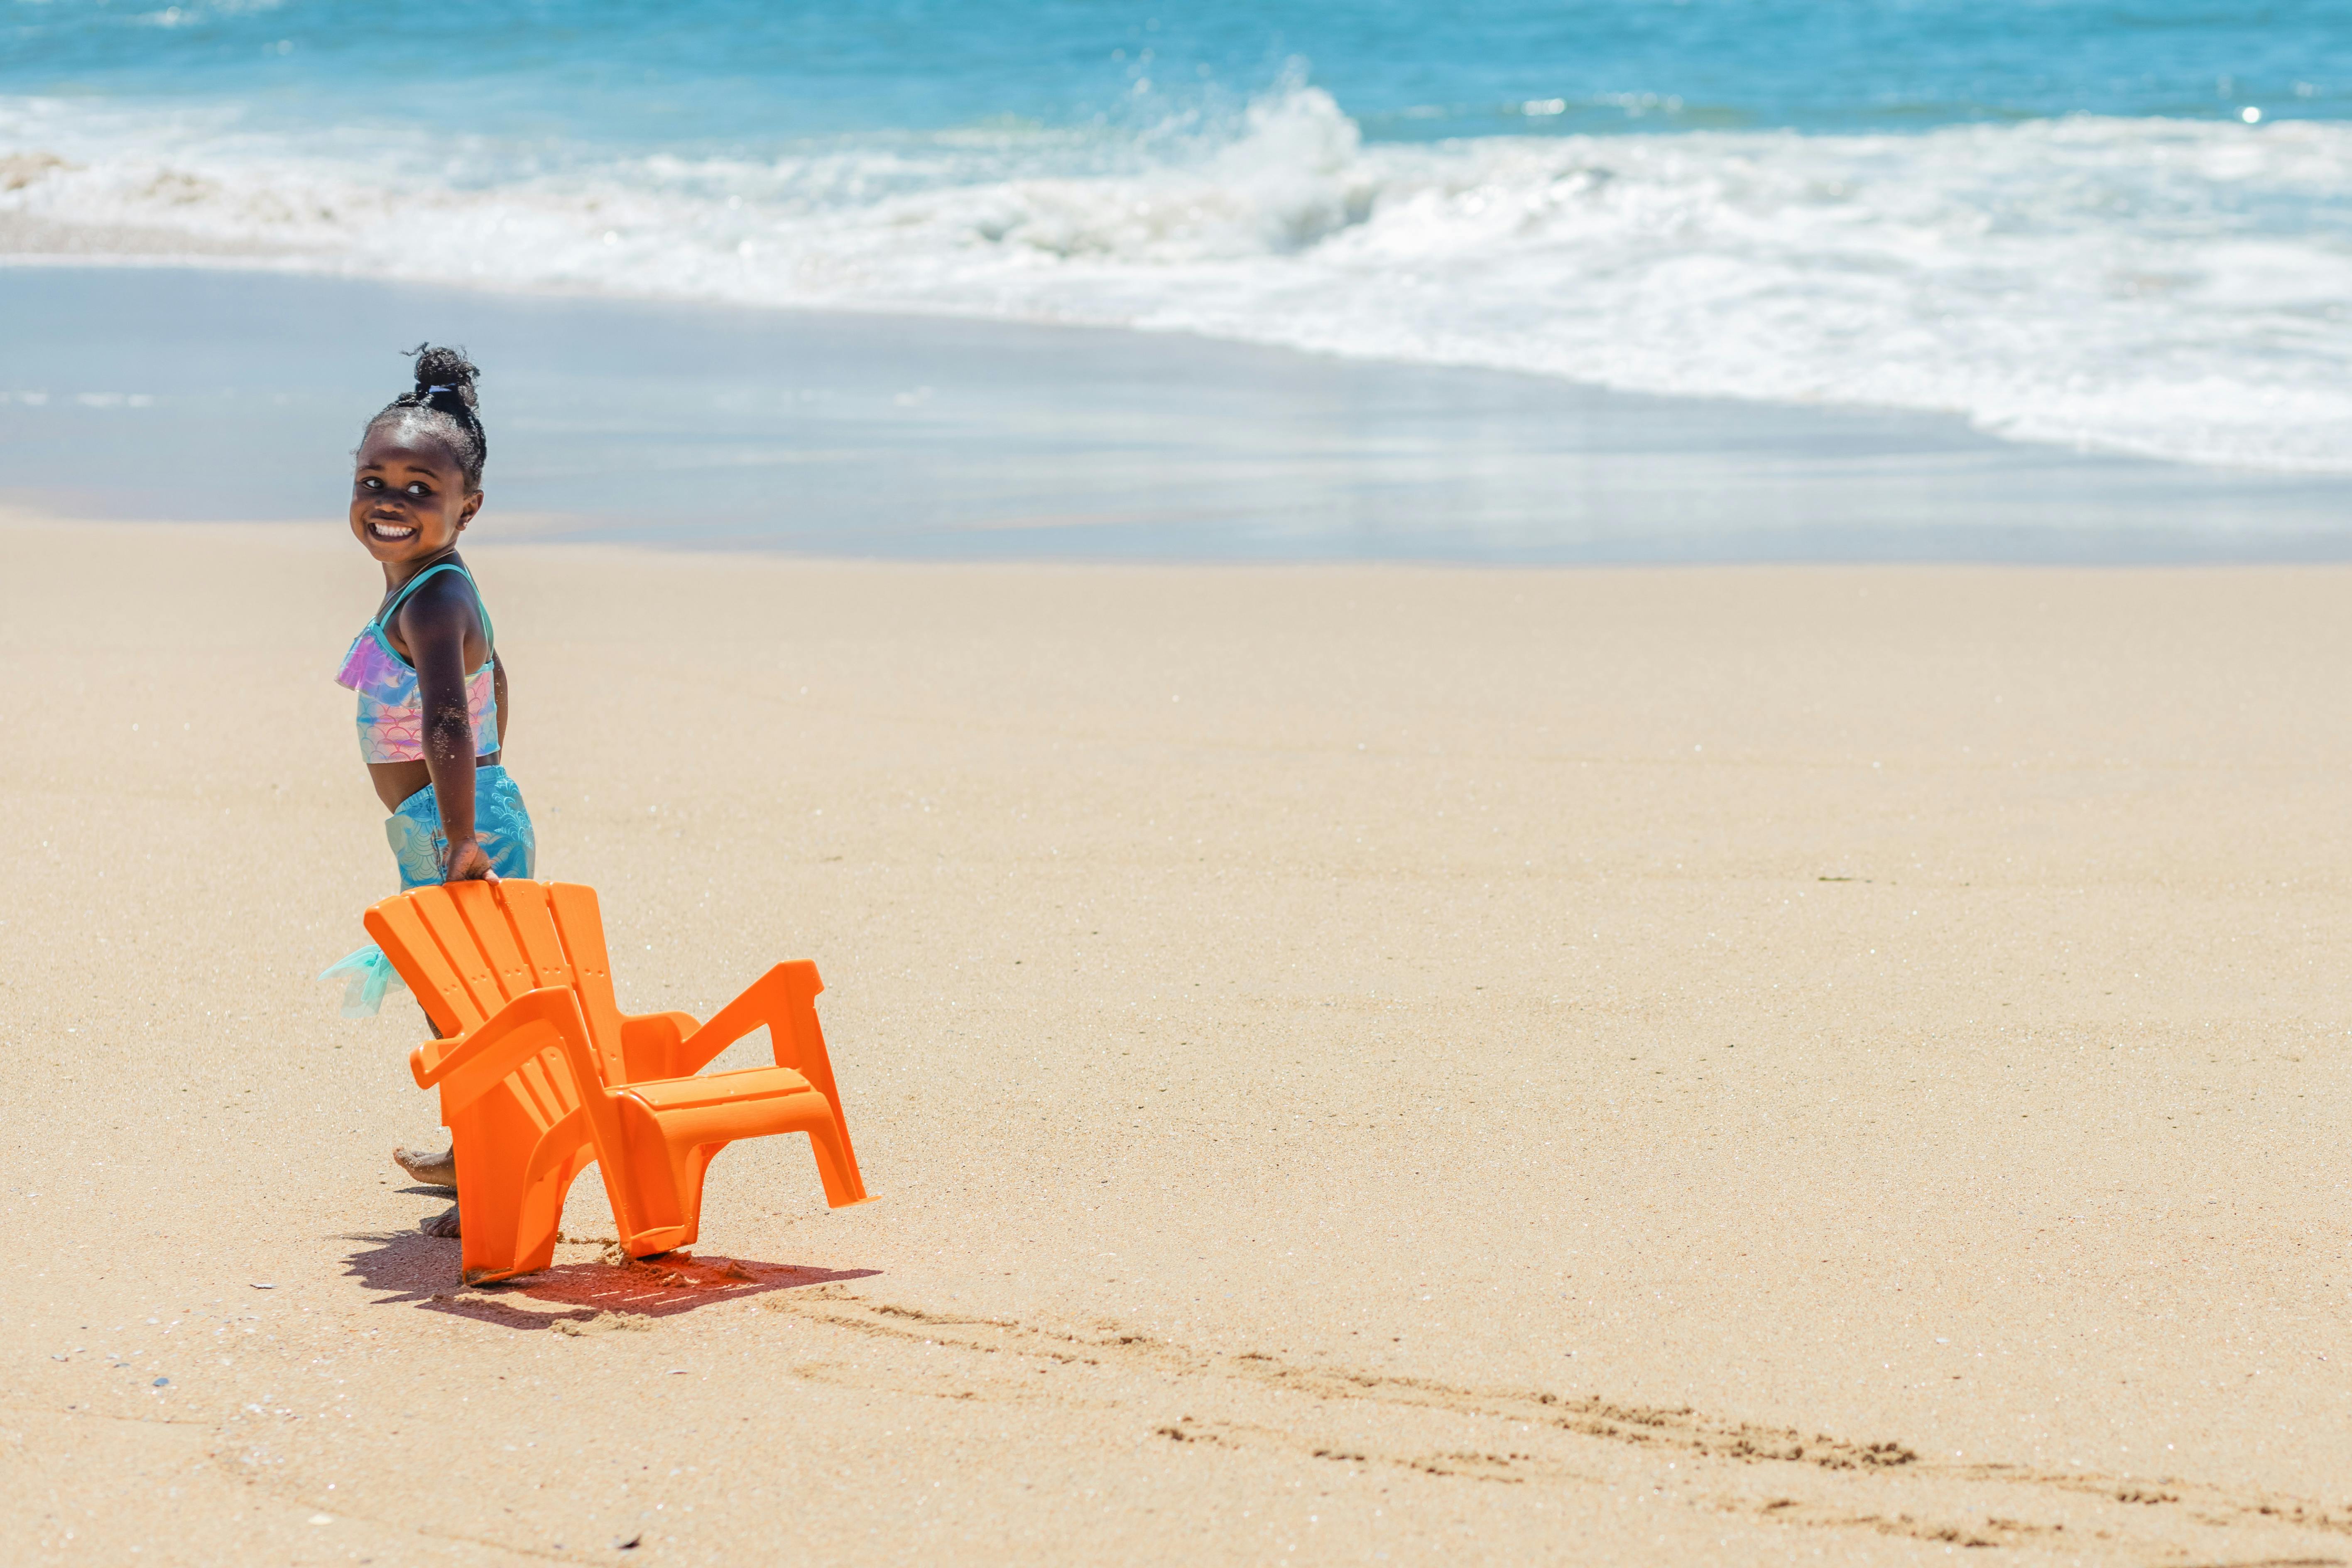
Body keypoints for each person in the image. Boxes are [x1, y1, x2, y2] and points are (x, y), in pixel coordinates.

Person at [320, 345, 536, 1235]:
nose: (391, 501)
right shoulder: (422, 586)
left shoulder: (433, 600)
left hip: (457, 829)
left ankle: (499, 1163)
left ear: (466, 508)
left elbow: (450, 717)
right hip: (444, 820)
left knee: (477, 1007)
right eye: (374, 481)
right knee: (457, 1000)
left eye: (420, 489)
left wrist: (468, 830)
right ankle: (471, 1145)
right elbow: (500, 679)